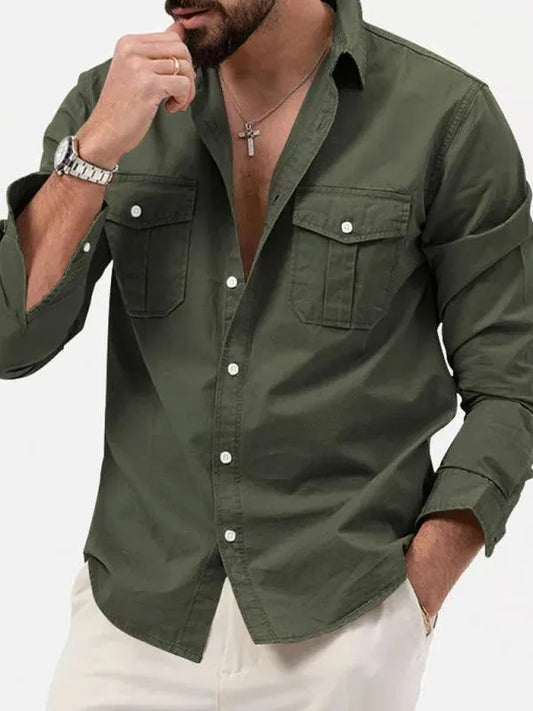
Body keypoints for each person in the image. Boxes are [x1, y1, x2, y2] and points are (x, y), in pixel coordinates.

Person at [0, 0, 531, 709]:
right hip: (134, 618)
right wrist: (93, 152)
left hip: (341, 627)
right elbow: (13, 340)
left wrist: (416, 597)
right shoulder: (112, 99)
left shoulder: (444, 117)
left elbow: (512, 383)